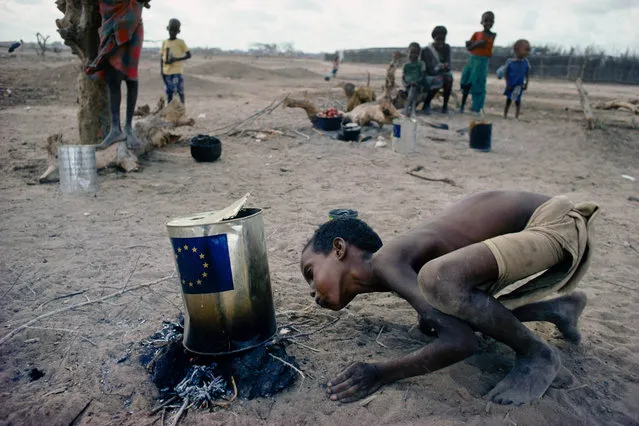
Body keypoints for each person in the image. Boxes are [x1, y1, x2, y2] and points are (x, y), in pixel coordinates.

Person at [300, 190, 598, 405]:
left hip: (554, 221)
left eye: (310, 273)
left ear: (339, 249)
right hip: (541, 230)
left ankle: (537, 353)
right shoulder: (394, 266)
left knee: (438, 282)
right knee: (436, 316)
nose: (313, 292)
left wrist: (380, 373)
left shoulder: (386, 261)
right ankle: (556, 308)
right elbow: (455, 328)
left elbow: (461, 342)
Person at [86, 0, 150, 150]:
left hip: (132, 19)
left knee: (131, 75)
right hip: (110, 20)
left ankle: (128, 127)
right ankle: (115, 129)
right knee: (113, 75)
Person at [460, 11, 496, 114]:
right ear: (481, 22)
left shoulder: (492, 35)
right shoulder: (476, 34)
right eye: (486, 20)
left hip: (482, 61)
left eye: (490, 21)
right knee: (466, 81)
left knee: (478, 83)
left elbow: (481, 44)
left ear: (493, 22)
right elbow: (469, 46)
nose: (488, 23)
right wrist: (478, 43)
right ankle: (462, 105)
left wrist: (475, 44)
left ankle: (477, 107)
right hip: (472, 60)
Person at [420, 26, 453, 114]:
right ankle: (426, 104)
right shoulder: (427, 50)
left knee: (449, 78)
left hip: (442, 73)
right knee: (437, 80)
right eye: (439, 39)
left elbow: (448, 64)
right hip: (430, 74)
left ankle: (445, 106)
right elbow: (428, 68)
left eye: (443, 39)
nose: (441, 42)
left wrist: (443, 67)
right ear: (434, 38)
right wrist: (440, 67)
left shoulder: (447, 48)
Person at [161, 19, 191, 104]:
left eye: (174, 31)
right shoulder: (164, 42)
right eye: (171, 30)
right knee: (169, 93)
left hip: (177, 72)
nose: (172, 32)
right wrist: (162, 72)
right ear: (168, 29)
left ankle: (182, 111)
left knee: (180, 92)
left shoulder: (181, 42)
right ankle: (170, 113)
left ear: (178, 31)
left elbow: (189, 55)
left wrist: (176, 59)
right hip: (167, 72)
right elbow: (161, 58)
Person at [503, 39, 531, 119]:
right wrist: (507, 83)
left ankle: (516, 116)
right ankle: (505, 114)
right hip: (511, 85)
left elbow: (527, 74)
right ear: (516, 50)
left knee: (517, 101)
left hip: (519, 85)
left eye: (528, 50)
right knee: (508, 100)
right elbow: (506, 73)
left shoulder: (526, 63)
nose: (527, 52)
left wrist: (526, 84)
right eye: (525, 50)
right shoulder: (510, 62)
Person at [402, 42, 426, 117]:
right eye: (412, 53)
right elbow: (403, 78)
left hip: (418, 85)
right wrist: (406, 84)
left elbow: (422, 76)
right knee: (412, 90)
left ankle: (406, 108)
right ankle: (412, 110)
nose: (413, 55)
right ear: (408, 52)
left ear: (419, 54)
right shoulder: (406, 65)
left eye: (416, 53)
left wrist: (417, 82)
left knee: (413, 88)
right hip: (408, 86)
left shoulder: (421, 63)